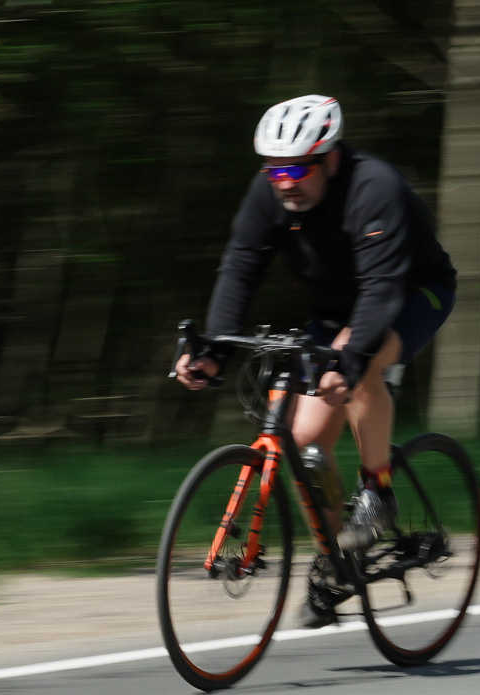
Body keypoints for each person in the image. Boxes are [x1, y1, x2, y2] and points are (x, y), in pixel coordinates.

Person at [174, 94, 457, 620]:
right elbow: (240, 268)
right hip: (337, 310)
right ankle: (336, 565)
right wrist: (213, 349)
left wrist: (347, 363)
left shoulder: (375, 188)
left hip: (412, 292)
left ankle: (379, 490)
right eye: (274, 167)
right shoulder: (270, 194)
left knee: (360, 359)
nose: (284, 180)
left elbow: (381, 289)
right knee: (305, 444)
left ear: (329, 158)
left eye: (297, 167)